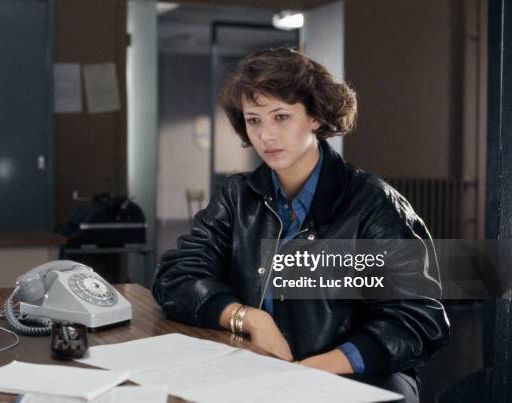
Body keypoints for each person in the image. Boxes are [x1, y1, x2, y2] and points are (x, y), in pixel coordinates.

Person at [152, 48, 450, 402]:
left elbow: (417, 318)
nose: (266, 136)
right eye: (254, 120)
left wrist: (311, 370)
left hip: (359, 379)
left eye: (281, 117)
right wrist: (249, 319)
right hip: (257, 371)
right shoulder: (238, 196)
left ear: (316, 118)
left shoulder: (373, 203)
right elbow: (177, 276)